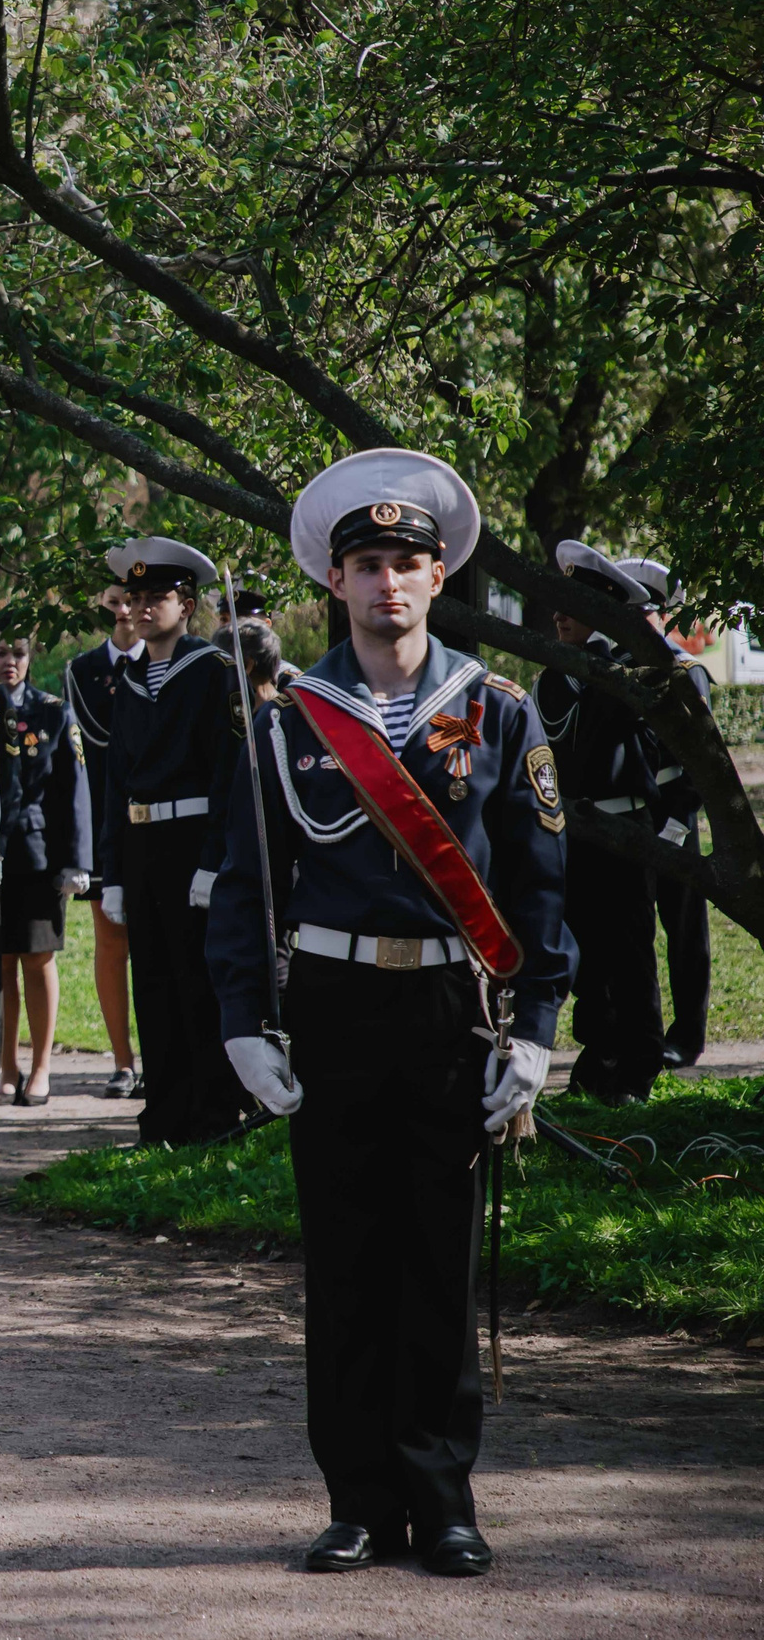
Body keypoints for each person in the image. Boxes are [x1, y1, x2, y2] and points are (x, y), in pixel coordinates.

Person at [207, 448, 571, 1578]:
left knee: (435, 1259)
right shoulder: (285, 719)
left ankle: (442, 1492)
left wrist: (537, 1027)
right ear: (336, 580)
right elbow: (242, 880)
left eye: (408, 562)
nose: (388, 583)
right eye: (366, 564)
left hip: (447, 1008)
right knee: (347, 1259)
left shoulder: (497, 711)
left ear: (437, 575)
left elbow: (544, 882)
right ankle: (357, 1496)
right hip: (329, 1004)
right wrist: (239, 1022)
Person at [96, 540, 244, 1145]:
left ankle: (211, 1116)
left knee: (196, 984)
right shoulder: (127, 680)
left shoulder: (212, 673)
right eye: (134, 597)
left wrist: (214, 861)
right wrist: (113, 873)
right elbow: (114, 784)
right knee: (152, 983)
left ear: (187, 605)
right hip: (142, 843)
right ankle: (163, 1116)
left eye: (156, 596)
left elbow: (228, 774)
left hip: (192, 842)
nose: (141, 607)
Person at [537, 541, 666, 1103]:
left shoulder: (632, 672)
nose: (559, 616)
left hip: (623, 833)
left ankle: (637, 1067)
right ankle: (598, 1057)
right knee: (585, 950)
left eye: (572, 606)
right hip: (573, 836)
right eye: (559, 606)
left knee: (629, 952)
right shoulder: (552, 677)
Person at [0, 630, 91, 1106]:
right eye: (1, 652)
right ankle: (6, 1065)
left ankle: (42, 1068)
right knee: (0, 962)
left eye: (20, 652)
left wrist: (76, 861)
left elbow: (73, 789)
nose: (10, 662)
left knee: (38, 958)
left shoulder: (52, 710)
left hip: (37, 854)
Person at [616, 555, 712, 1070]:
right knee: (635, 928)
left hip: (674, 811)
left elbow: (703, 765)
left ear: (657, 613)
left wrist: (677, 825)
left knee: (684, 928)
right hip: (634, 810)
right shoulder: (622, 667)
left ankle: (689, 1034)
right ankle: (642, 1031)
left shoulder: (684, 670)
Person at [62, 587, 143, 1097]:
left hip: (157, 822)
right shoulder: (81, 670)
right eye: (114, 598)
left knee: (160, 946)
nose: (124, 609)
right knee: (111, 943)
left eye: (133, 598)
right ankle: (122, 1061)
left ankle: (164, 1053)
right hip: (102, 824)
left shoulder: (175, 664)